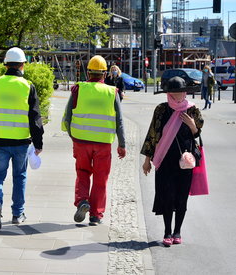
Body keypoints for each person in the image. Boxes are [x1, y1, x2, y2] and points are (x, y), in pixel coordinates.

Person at [0, 47, 44, 231]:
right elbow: (35, 117)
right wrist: (38, 143)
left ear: (6, 65)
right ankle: (17, 214)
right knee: (20, 176)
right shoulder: (27, 86)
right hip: (21, 142)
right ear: (23, 65)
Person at [62, 55, 126, 226]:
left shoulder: (78, 89)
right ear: (105, 73)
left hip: (81, 142)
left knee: (82, 173)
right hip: (103, 144)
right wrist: (122, 144)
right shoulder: (112, 92)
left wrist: (73, 135)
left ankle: (82, 201)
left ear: (88, 72)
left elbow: (67, 117)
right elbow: (119, 120)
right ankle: (96, 215)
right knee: (100, 178)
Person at [141, 76, 204, 247]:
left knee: (182, 198)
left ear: (185, 92)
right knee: (167, 197)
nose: (178, 95)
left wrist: (192, 125)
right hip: (165, 160)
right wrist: (147, 160)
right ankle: (167, 231)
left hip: (185, 161)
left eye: (181, 92)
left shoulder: (193, 110)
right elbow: (152, 135)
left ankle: (178, 231)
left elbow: (197, 134)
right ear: (168, 93)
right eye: (174, 92)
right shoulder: (161, 110)